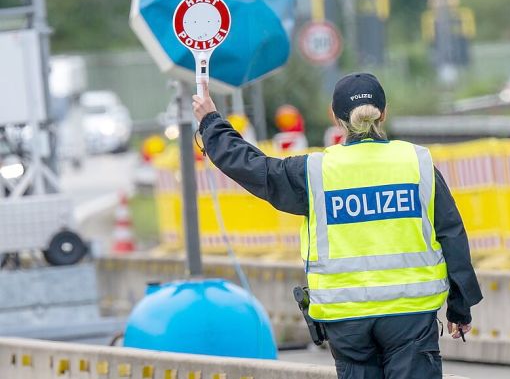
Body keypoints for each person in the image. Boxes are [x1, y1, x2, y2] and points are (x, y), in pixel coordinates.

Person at [192, 72, 483, 379]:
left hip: (346, 320)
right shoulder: (418, 163)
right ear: (383, 113)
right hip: (410, 315)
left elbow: (253, 168)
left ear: (334, 117)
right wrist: (459, 307)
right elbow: (452, 235)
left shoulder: (314, 172)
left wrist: (212, 122)